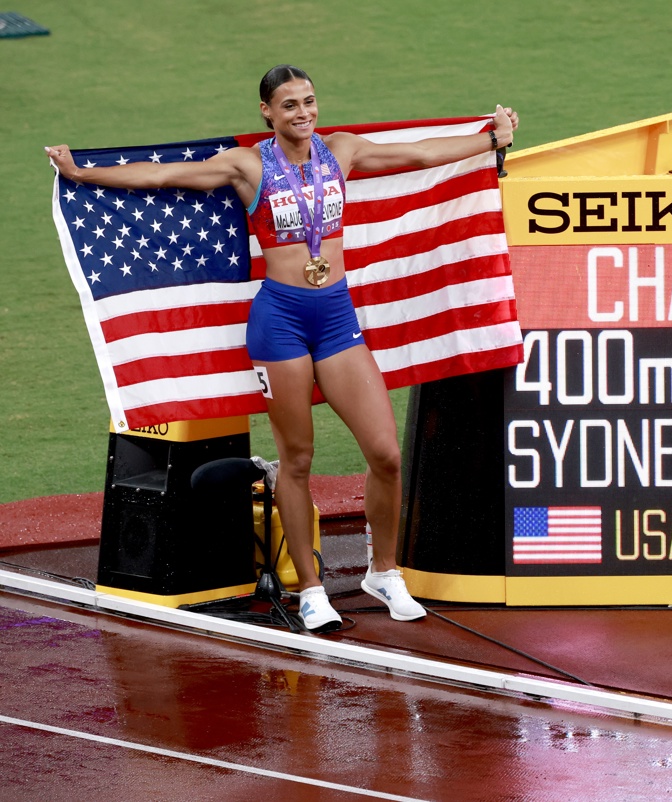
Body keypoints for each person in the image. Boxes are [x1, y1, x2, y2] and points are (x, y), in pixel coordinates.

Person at [46, 64, 519, 633]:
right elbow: (163, 175)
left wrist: (490, 140)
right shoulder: (248, 165)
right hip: (281, 323)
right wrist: (81, 172)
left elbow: (418, 154)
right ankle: (312, 590)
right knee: (296, 459)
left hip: (337, 317)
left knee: (386, 454)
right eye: (290, 105)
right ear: (267, 112)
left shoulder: (340, 150)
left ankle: (384, 572)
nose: (303, 113)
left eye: (309, 101)